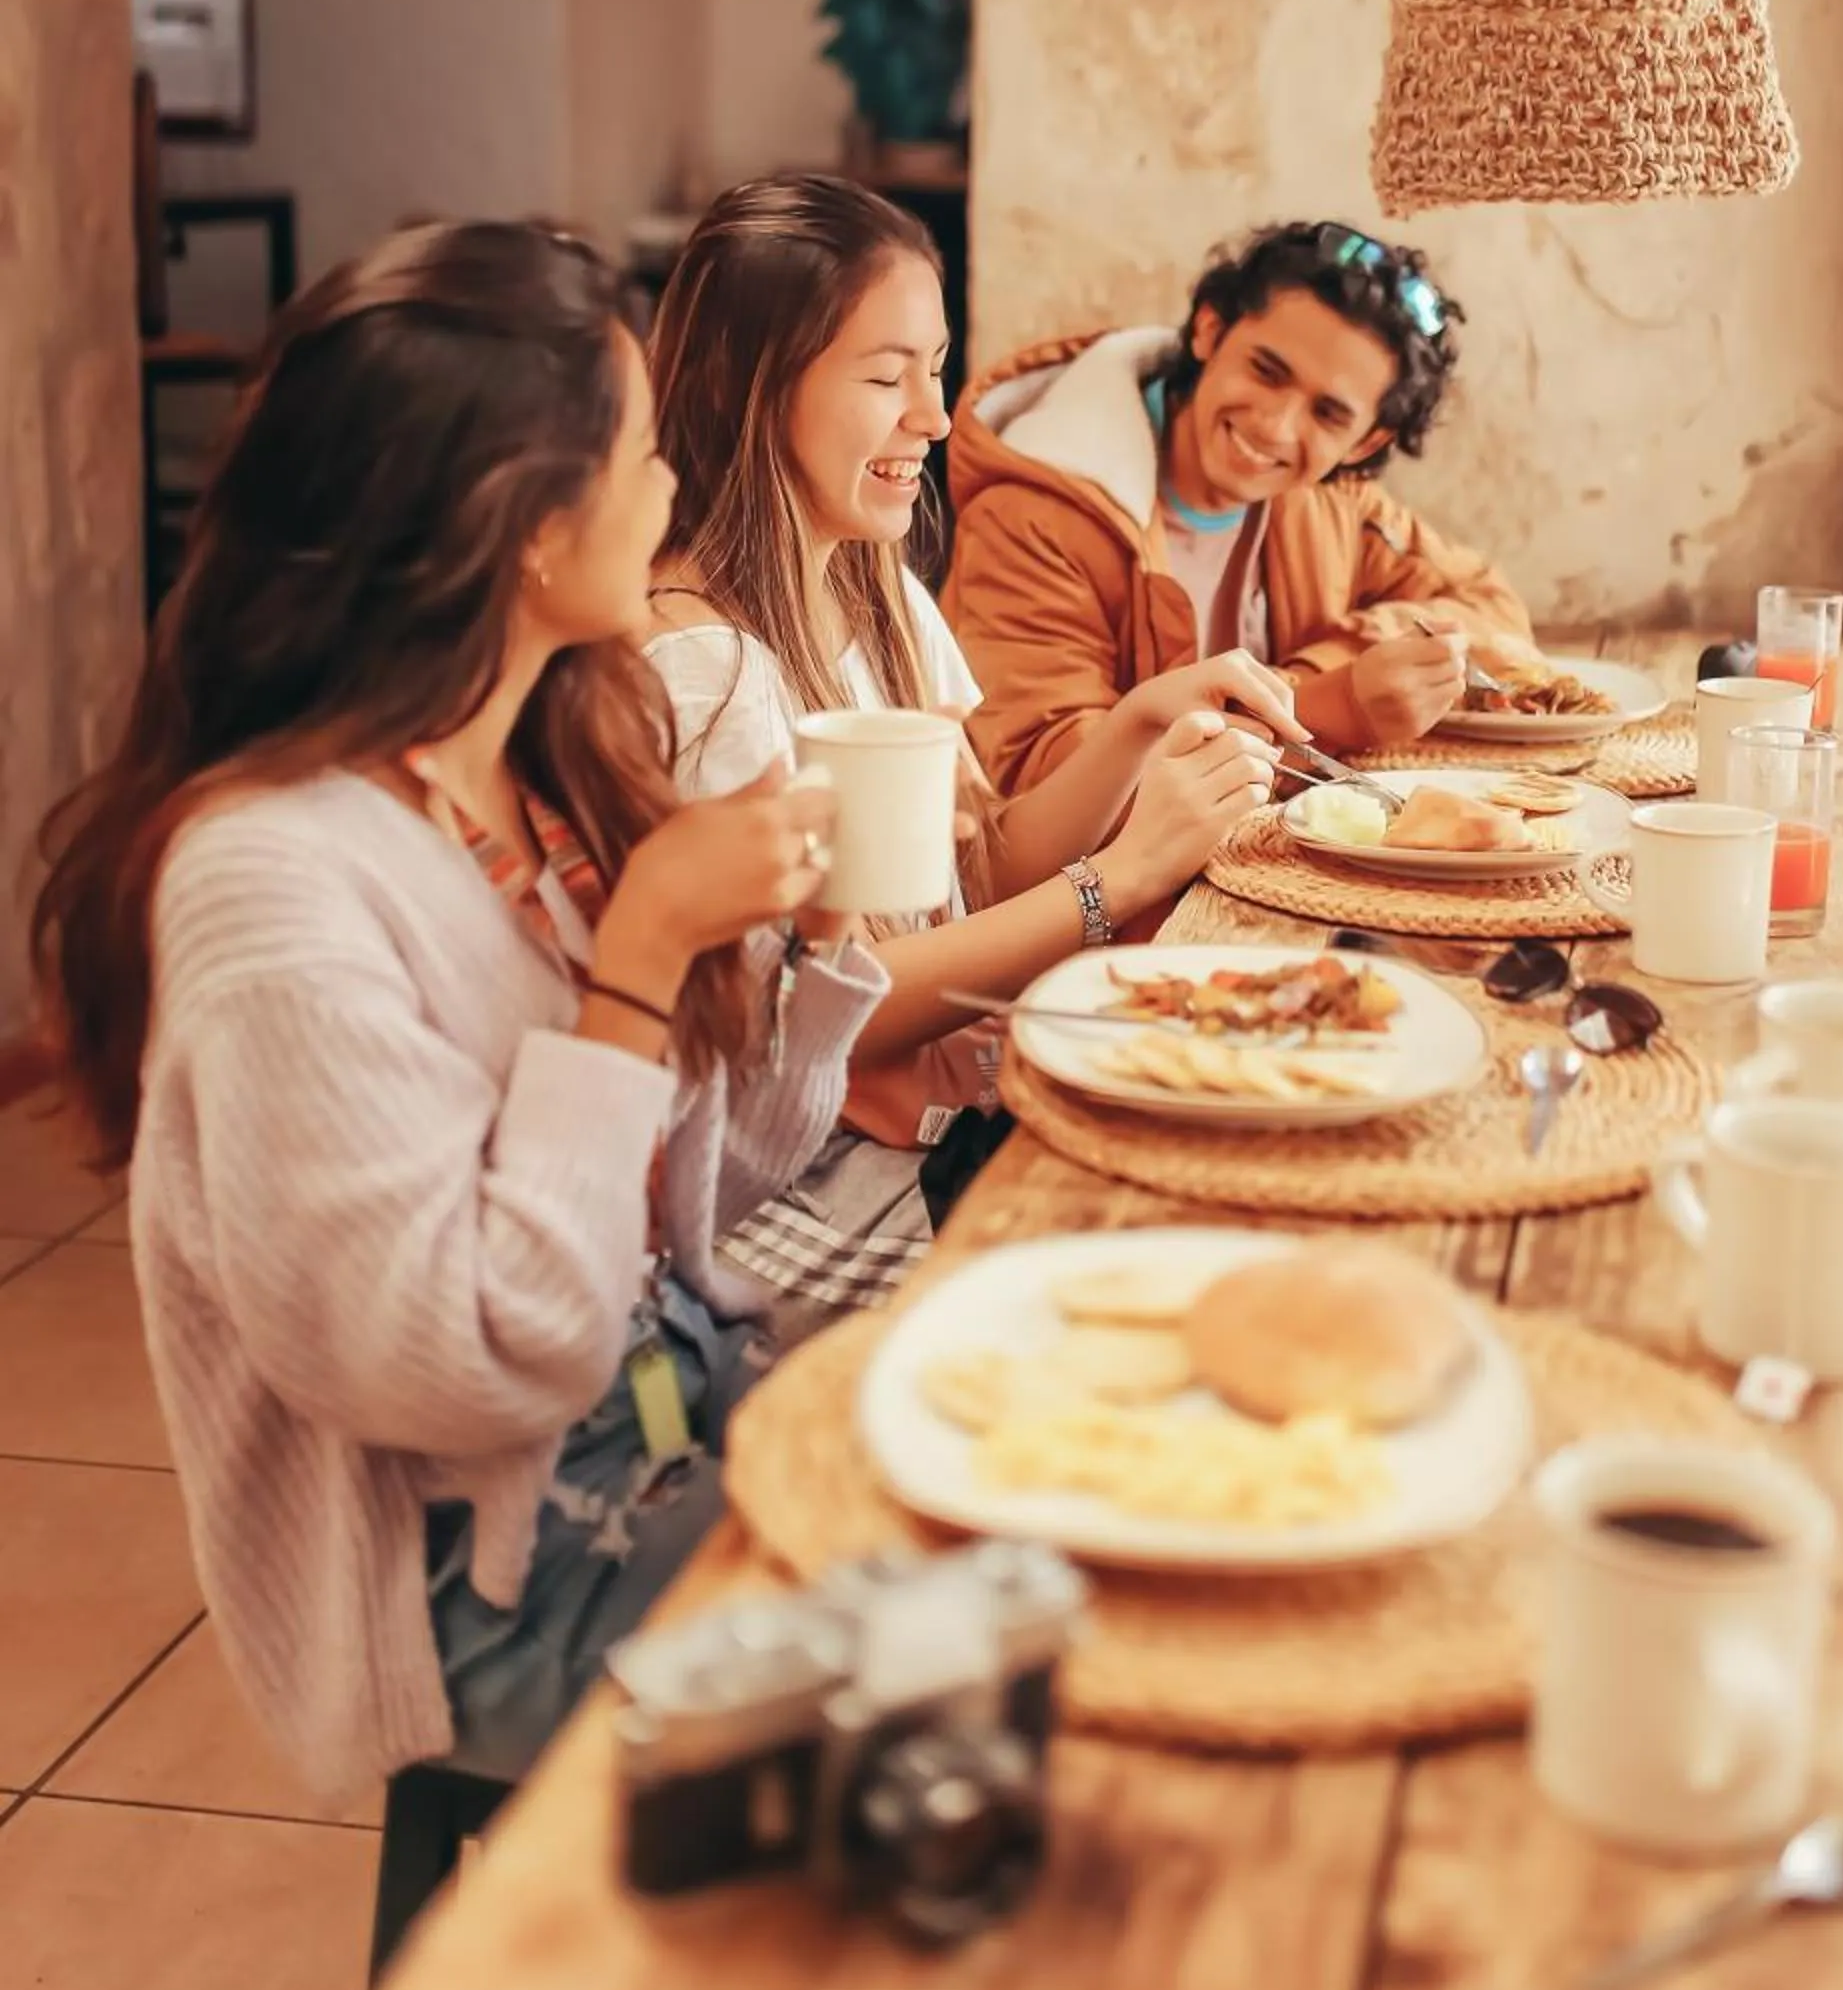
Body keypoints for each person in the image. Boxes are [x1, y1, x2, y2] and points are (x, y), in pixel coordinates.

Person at [32, 222, 892, 1799]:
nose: (674, 492)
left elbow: (721, 1190)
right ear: (525, 528)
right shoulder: (272, 878)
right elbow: (466, 1369)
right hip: (487, 1592)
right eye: (640, 455)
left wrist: (800, 953)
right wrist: (638, 961)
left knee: (1057, 1521)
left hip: (676, 1420)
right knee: (1016, 1702)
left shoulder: (555, 757)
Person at [643, 176, 1296, 1333]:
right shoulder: (705, 672)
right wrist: (1119, 882)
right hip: (819, 1182)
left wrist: (1138, 723)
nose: (934, 419)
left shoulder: (875, 587)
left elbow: (977, 867)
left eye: (934, 368)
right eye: (887, 376)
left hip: (946, 1119)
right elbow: (806, 1031)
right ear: (752, 386)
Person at [944, 219, 1535, 795]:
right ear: (1209, 329)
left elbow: (1493, 610)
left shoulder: (1333, 501)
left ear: (1367, 441)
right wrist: (1324, 703)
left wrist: (1345, 660)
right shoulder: (1034, 513)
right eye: (1266, 370)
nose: (1276, 427)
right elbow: (1041, 777)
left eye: (1327, 414)